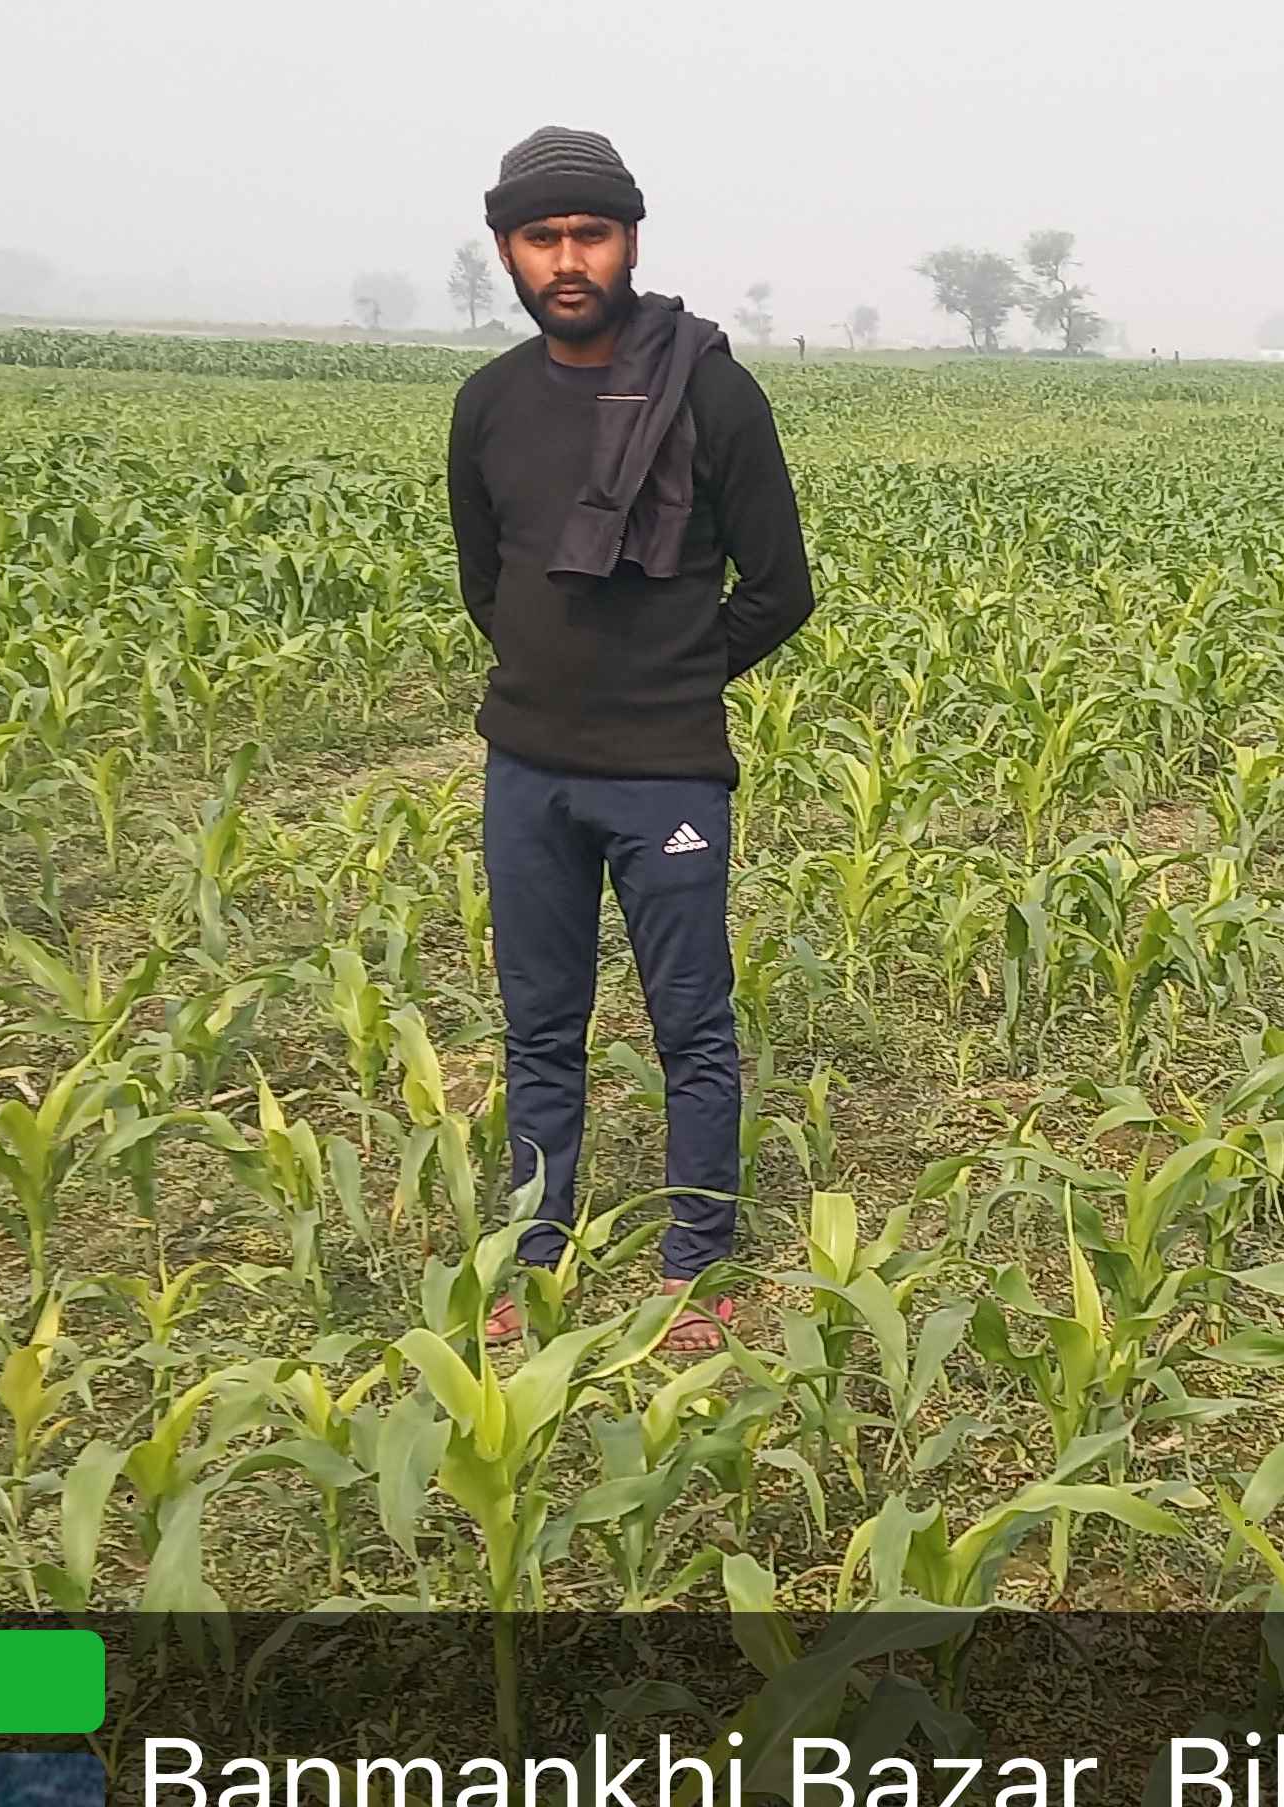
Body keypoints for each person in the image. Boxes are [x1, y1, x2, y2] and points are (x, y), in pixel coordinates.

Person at [447, 126, 815, 1353]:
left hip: (666, 774)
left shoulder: (710, 391)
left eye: (589, 234)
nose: (567, 259)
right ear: (506, 249)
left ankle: (695, 1268)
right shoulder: (489, 403)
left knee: (690, 1026)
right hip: (528, 773)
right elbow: (488, 583)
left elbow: (780, 588)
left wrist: (664, 680)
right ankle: (535, 1255)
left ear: (632, 241)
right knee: (538, 1025)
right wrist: (558, 683)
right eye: (541, 237)